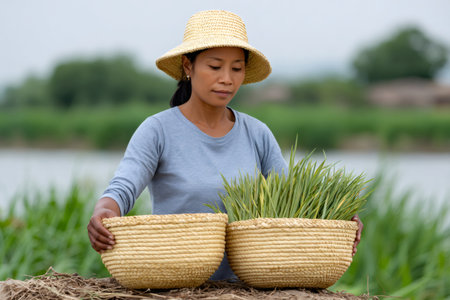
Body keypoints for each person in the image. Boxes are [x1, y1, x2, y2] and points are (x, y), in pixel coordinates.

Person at [87, 10, 363, 281]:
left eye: (236, 68)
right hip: (177, 279)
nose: (227, 79)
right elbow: (123, 188)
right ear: (188, 66)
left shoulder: (257, 133)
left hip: (246, 282)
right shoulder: (157, 130)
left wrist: (336, 216)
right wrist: (104, 213)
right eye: (215, 66)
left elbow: (291, 203)